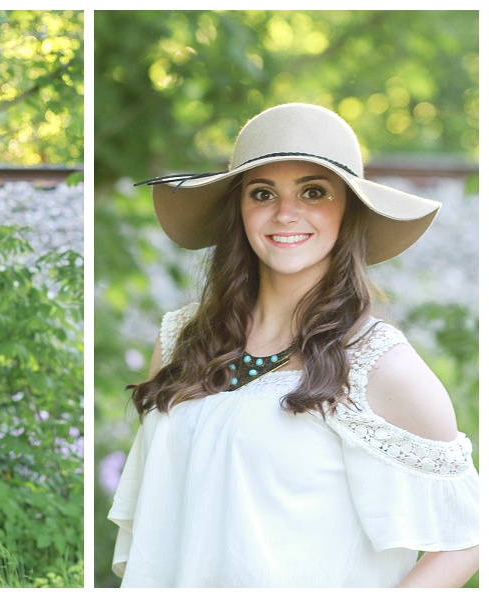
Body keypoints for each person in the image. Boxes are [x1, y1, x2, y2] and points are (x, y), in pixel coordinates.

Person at [107, 103, 479, 587]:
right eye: (263, 193)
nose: (286, 214)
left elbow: (468, 535)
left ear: (348, 210)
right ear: (238, 209)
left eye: (314, 192)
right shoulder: (181, 342)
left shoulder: (376, 361)